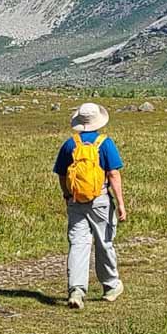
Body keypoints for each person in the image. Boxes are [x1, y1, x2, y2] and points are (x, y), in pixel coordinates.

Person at [53, 102, 127, 310]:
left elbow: (61, 174)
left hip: (76, 201)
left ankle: (76, 290)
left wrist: (67, 194)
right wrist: (120, 203)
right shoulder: (105, 143)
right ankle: (110, 286)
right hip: (101, 200)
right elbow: (113, 174)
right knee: (104, 242)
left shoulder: (70, 144)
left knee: (78, 244)